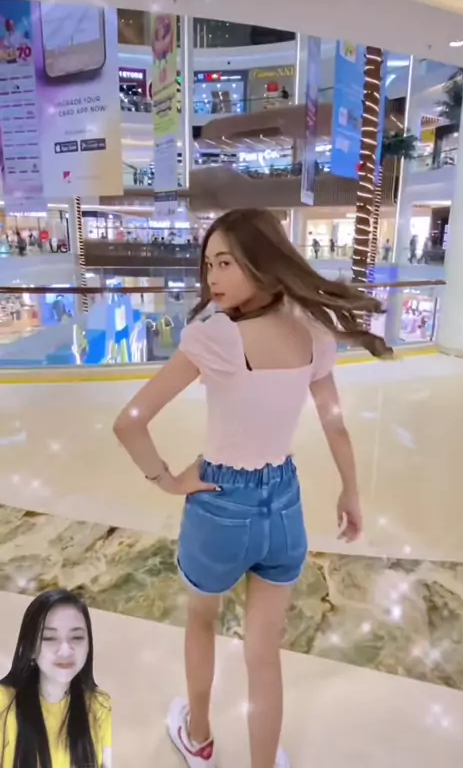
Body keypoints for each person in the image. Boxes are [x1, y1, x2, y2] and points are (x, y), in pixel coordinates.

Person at [113, 208, 390, 768]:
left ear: (261, 263)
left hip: (219, 505)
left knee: (202, 620)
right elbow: (335, 424)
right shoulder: (313, 333)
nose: (212, 278)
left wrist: (167, 481)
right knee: (264, 653)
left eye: (226, 263)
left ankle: (199, 739)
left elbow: (130, 421)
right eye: (208, 264)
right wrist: (350, 492)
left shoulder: (214, 337)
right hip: (284, 504)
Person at [0, 589, 112, 768]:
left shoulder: (101, 706)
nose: (65, 650)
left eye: (77, 637)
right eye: (49, 638)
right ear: (30, 648)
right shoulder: (3, 702)